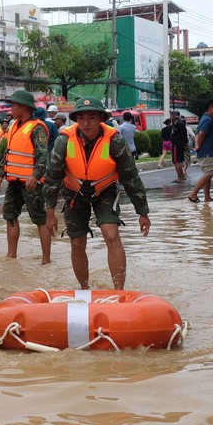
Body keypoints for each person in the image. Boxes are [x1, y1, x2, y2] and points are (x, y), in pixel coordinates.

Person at [43, 96, 150, 290]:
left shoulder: (115, 141)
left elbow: (131, 177)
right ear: (75, 120)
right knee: (76, 243)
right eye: (81, 118)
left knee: (111, 234)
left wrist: (142, 212)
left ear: (101, 118)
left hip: (105, 190)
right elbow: (52, 178)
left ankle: (119, 292)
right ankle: (85, 290)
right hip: (74, 193)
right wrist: (50, 213)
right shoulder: (64, 141)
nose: (86, 123)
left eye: (91, 117)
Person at [0, 90, 51, 263]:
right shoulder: (13, 125)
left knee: (40, 218)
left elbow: (43, 156)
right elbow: (8, 152)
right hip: (13, 181)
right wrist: (0, 173)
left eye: (13, 105)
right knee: (10, 215)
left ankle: (46, 260)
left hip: (31, 182)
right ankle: (11, 256)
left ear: (24, 106)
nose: (10, 108)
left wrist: (35, 175)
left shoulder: (37, 127)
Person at [187, 99, 213, 203]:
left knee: (208, 174)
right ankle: (193, 194)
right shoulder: (208, 120)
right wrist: (199, 145)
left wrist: (198, 145)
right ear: (210, 108)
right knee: (209, 173)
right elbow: (201, 134)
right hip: (208, 152)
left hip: (207, 152)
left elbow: (198, 134)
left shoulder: (204, 118)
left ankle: (207, 196)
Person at [170, 111, 189, 182]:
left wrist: (186, 143)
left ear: (175, 116)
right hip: (178, 144)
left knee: (176, 161)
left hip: (177, 145)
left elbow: (184, 134)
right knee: (179, 160)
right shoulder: (174, 124)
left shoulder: (179, 124)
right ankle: (182, 176)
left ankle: (180, 177)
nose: (170, 116)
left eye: (171, 115)